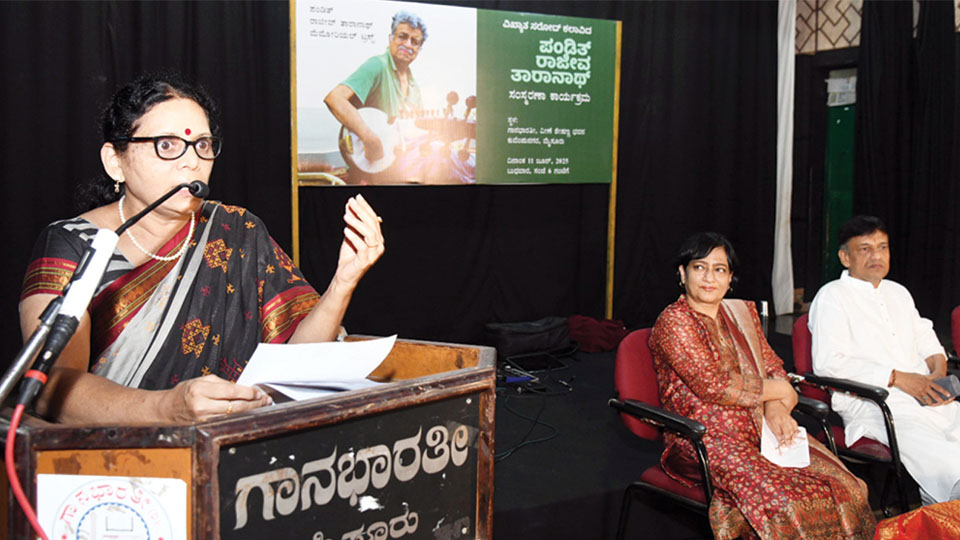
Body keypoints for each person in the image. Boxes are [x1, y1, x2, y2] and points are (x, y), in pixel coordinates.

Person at [19, 75, 385, 425]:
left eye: (203, 145)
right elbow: (50, 387)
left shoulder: (237, 232)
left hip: (233, 445)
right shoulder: (72, 245)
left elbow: (298, 364)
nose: (192, 161)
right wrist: (167, 408)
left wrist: (343, 281)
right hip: (114, 457)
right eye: (167, 145)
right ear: (116, 161)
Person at [650, 232, 875, 540]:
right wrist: (781, 391)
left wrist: (776, 410)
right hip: (704, 438)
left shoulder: (740, 314)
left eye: (719, 269)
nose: (709, 277)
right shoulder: (674, 321)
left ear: (730, 278)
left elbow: (772, 367)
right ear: (682, 273)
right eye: (699, 267)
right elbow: (714, 386)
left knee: (850, 487)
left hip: (763, 428)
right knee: (785, 503)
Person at [809, 215, 960, 505]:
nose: (876, 256)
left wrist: (937, 375)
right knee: (949, 468)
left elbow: (927, 338)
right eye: (865, 249)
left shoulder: (898, 292)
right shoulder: (832, 297)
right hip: (877, 405)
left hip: (928, 400)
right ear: (845, 257)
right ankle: (938, 519)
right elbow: (829, 364)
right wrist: (899, 378)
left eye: (882, 247)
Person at [324, 10, 426, 164]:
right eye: (402, 37)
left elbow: (417, 130)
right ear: (391, 38)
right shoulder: (377, 65)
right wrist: (369, 138)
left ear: (419, 49)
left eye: (415, 41)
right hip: (368, 165)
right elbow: (335, 98)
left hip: (398, 165)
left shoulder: (415, 88)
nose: (408, 44)